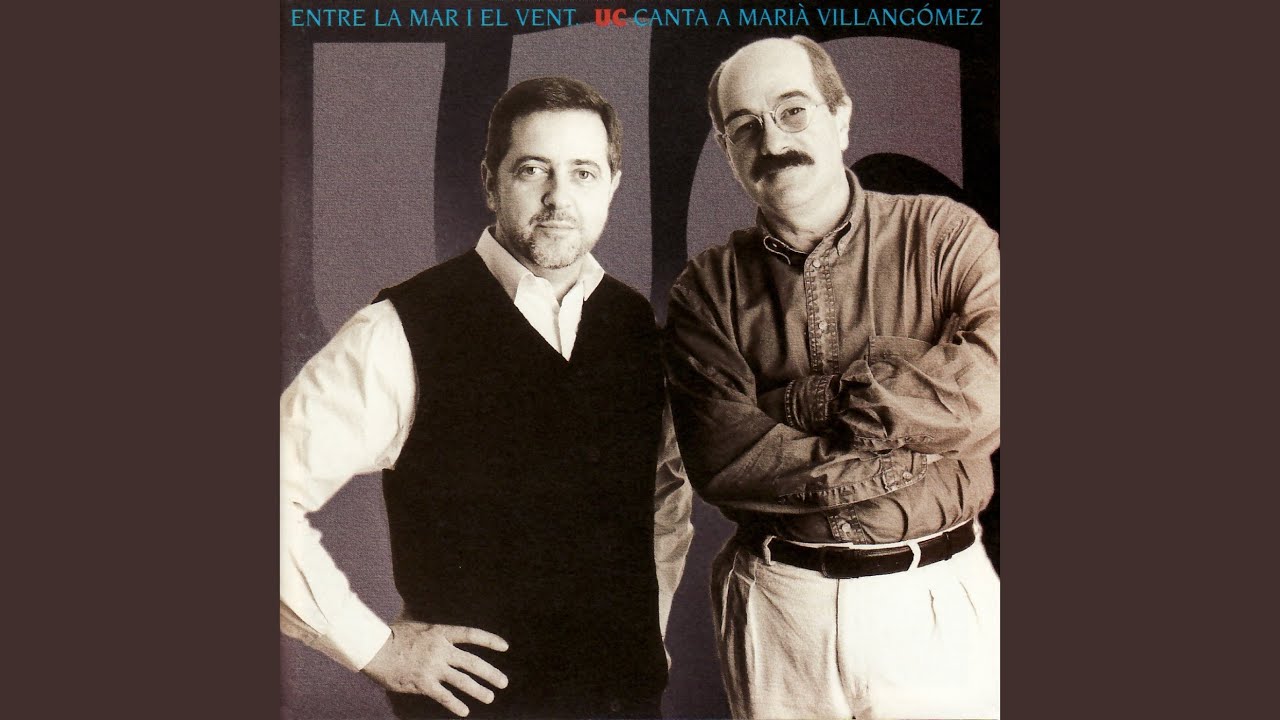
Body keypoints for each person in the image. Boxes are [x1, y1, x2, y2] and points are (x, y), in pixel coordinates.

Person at [281, 76, 694, 719]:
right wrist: (376, 649)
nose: (559, 197)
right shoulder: (404, 327)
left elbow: (664, 497)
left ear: (613, 184)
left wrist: (648, 627)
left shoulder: (635, 323)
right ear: (490, 181)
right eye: (533, 169)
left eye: (583, 172)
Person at [663, 36, 1000, 719]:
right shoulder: (706, 291)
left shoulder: (946, 238)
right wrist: (915, 447)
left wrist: (803, 403)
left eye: (793, 111)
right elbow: (726, 460)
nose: (773, 141)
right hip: (780, 610)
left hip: (934, 602)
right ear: (726, 151)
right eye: (745, 126)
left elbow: (994, 388)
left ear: (841, 117)